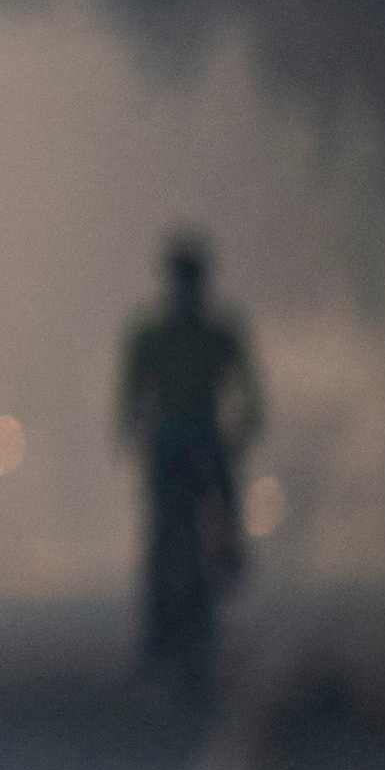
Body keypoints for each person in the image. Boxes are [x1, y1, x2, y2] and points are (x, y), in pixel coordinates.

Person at [122, 237, 262, 683]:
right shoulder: (152, 335)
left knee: (220, 513)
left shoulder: (219, 333)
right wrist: (133, 435)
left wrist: (241, 434)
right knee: (164, 534)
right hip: (172, 443)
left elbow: (250, 395)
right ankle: (159, 631)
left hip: (203, 438)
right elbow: (130, 398)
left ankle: (227, 559)